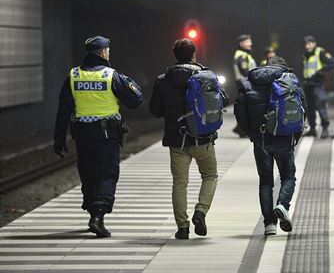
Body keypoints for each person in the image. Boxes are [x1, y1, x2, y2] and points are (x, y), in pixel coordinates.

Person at [53, 36, 143, 238]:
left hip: (82, 134)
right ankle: (98, 217)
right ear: (103, 53)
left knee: (88, 172)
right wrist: (129, 82)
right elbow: (135, 100)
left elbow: (63, 110)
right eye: (108, 51)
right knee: (107, 173)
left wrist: (59, 139)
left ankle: (92, 211)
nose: (109, 54)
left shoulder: (74, 76)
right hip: (107, 134)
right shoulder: (111, 76)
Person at [150, 39, 227, 239]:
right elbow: (223, 100)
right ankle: (200, 212)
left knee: (179, 183)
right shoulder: (206, 76)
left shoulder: (162, 80)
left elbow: (155, 110)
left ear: (175, 55)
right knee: (210, 176)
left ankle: (182, 228)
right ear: (194, 55)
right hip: (203, 138)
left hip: (177, 141)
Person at [234, 56, 307, 235]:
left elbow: (240, 112)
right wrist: (295, 136)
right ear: (283, 66)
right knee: (288, 176)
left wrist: (251, 133)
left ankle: (269, 224)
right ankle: (282, 205)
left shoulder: (249, 82)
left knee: (266, 182)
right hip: (284, 138)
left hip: (261, 141)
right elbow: (302, 110)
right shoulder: (291, 81)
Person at [301, 35, 334, 138]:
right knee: (309, 108)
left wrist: (321, 71)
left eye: (309, 43)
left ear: (314, 43)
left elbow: (331, 63)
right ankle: (312, 129)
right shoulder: (305, 55)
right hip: (308, 84)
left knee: (321, 105)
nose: (307, 46)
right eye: (306, 44)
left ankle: (325, 129)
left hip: (317, 84)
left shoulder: (319, 52)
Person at [232, 34, 257, 138]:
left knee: (244, 107)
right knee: (245, 108)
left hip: (244, 83)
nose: (250, 43)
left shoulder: (244, 54)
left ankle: (240, 128)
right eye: (248, 41)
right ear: (241, 43)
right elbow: (245, 70)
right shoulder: (242, 55)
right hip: (244, 82)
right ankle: (242, 129)